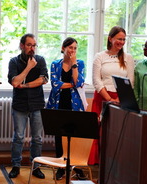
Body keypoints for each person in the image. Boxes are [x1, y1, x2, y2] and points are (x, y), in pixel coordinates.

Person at [89, 26, 135, 165]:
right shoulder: (100, 56)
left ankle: (114, 163)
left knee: (116, 132)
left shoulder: (128, 58)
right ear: (110, 39)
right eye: (118, 39)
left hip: (121, 98)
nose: (121, 42)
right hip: (102, 97)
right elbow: (96, 80)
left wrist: (118, 99)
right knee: (99, 131)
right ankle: (98, 165)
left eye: (123, 39)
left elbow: (130, 81)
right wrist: (109, 99)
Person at [7, 33, 48, 179]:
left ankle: (36, 167)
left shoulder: (41, 60)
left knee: (37, 138)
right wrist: (29, 67)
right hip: (20, 105)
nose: (32, 48)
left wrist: (24, 86)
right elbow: (14, 82)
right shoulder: (13, 62)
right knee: (18, 137)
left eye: (34, 45)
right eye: (29, 45)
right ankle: (15, 166)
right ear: (22, 45)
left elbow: (43, 80)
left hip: (37, 104)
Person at [46, 37, 87, 180]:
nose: (73, 50)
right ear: (63, 48)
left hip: (74, 104)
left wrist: (74, 66)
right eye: (70, 47)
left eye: (75, 48)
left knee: (74, 137)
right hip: (58, 103)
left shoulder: (80, 64)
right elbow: (55, 84)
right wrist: (72, 84)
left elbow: (79, 82)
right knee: (59, 136)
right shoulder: (55, 64)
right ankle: (60, 167)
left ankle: (75, 165)